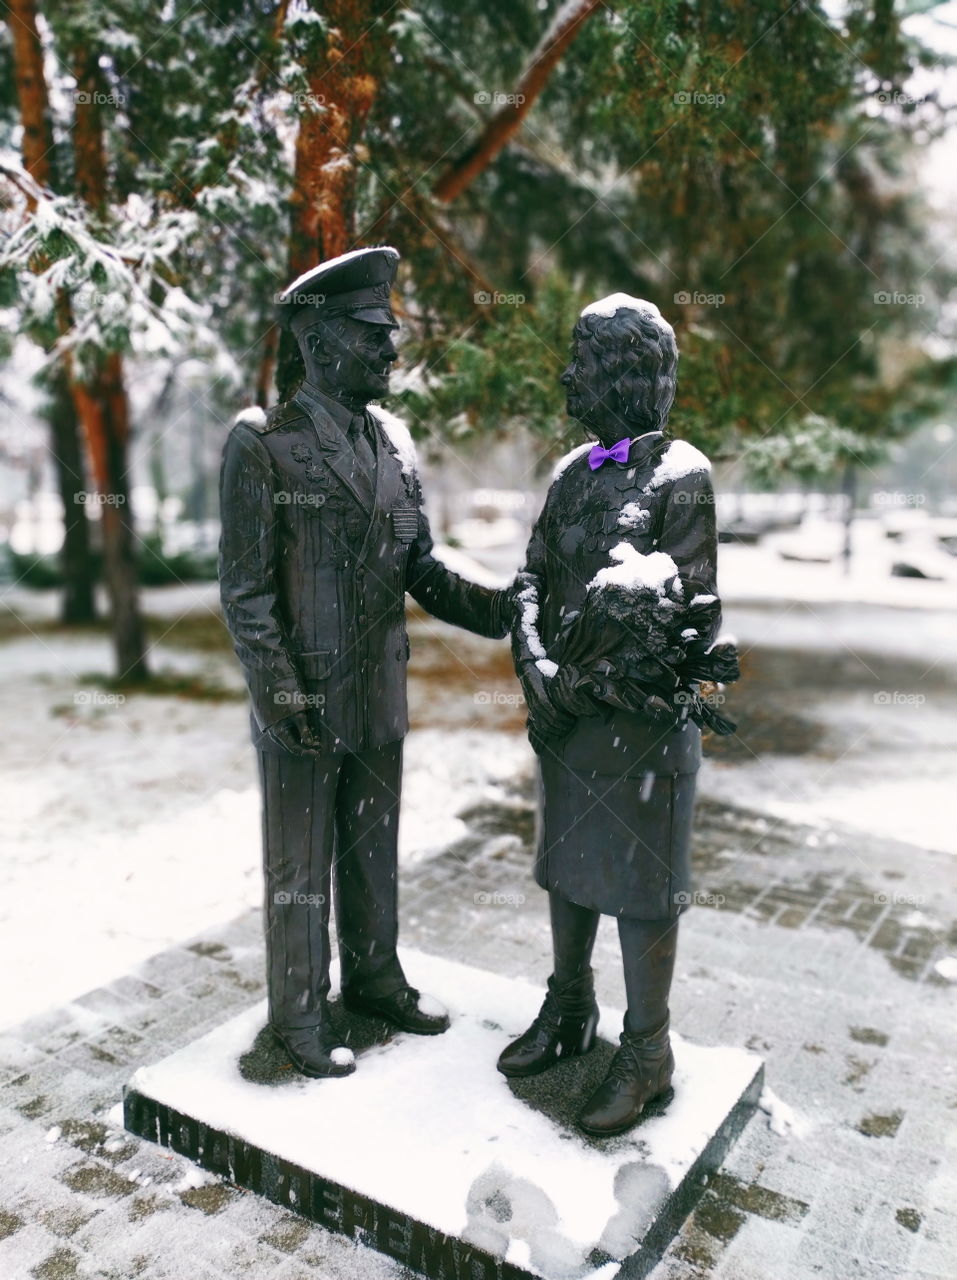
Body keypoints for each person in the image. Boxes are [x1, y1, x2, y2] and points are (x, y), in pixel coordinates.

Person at [219, 246, 510, 1078]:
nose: (391, 350)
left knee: (373, 852)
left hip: (379, 695)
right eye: (373, 333)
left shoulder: (393, 445)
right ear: (315, 340)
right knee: (299, 869)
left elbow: (421, 567)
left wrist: (507, 608)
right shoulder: (263, 445)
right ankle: (299, 1014)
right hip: (301, 704)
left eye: (392, 334)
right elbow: (244, 594)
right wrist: (281, 698)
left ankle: (375, 981)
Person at [498, 293, 735, 1137]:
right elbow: (526, 582)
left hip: (636, 729)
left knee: (640, 887)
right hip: (564, 722)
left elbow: (690, 609)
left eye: (584, 363)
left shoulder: (682, 476)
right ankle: (569, 1010)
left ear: (628, 375)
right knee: (566, 867)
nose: (569, 375)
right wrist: (537, 667)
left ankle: (646, 1051)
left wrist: (581, 681)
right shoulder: (568, 474)